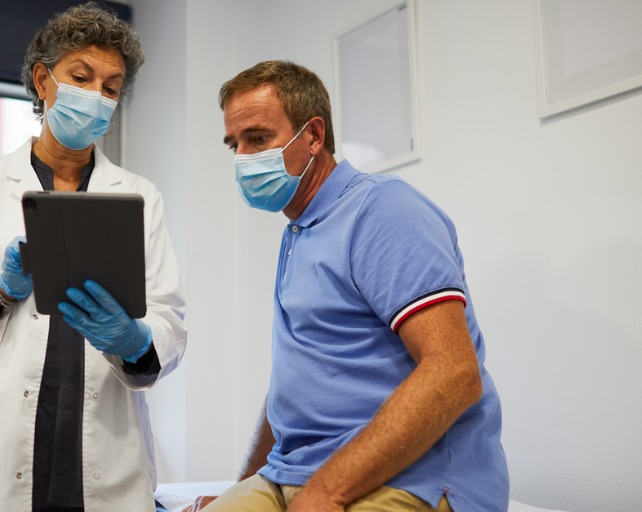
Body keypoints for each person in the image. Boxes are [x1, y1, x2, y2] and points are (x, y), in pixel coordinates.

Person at [0, 4, 186, 512]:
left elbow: (169, 318)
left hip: (98, 460)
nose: (97, 96)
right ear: (43, 81)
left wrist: (137, 342)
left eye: (111, 87)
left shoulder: (139, 195)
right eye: (81, 76)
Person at [199, 60, 508, 512]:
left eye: (258, 138)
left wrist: (327, 492)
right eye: (234, 145)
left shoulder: (382, 211)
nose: (244, 157)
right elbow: (295, 382)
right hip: (297, 471)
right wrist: (244, 486)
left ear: (313, 135)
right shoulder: (301, 231)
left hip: (409, 475)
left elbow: (454, 372)